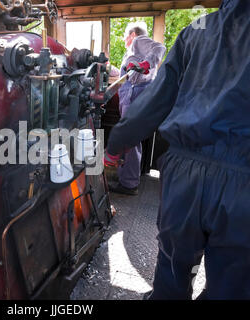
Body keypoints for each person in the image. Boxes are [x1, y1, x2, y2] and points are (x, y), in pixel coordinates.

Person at [104, 0, 250, 299]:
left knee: (172, 268)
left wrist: (117, 142)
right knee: (233, 281)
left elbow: (157, 100)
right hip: (243, 186)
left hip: (186, 175)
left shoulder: (196, 30)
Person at [108, 21, 166, 196]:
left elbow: (160, 48)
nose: (125, 39)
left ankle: (129, 183)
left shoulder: (138, 41)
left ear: (133, 34)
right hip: (131, 100)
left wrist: (146, 65)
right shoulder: (133, 53)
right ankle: (126, 178)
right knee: (129, 141)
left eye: (126, 35)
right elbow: (127, 75)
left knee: (130, 142)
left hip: (134, 101)